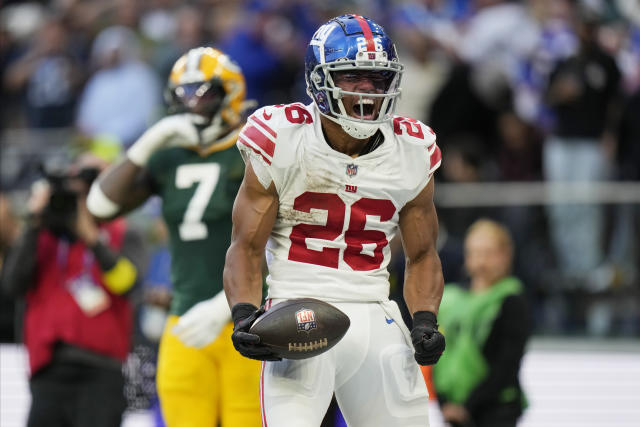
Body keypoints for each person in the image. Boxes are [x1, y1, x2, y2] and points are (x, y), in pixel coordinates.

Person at [223, 14, 446, 427]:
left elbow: (423, 253)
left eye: (376, 80)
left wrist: (425, 319)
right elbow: (246, 246)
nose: (367, 92)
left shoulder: (412, 147)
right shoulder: (282, 136)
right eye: (352, 78)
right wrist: (244, 314)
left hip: (375, 309)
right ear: (318, 81)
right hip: (295, 306)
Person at [87, 47, 262, 426]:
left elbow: (282, 242)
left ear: (230, 93)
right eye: (183, 95)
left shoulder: (254, 149)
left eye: (203, 93)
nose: (192, 105)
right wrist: (151, 140)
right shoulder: (170, 156)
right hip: (183, 317)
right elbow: (99, 207)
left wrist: (225, 306)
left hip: (252, 317)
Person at [0, 154, 144, 427]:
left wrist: (91, 238)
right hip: (48, 368)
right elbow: (13, 284)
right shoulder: (42, 232)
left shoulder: (123, 232)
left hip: (101, 370)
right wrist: (33, 221)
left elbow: (128, 285)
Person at [432, 219, 531, 427]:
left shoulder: (511, 299)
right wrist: (445, 403)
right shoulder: (451, 299)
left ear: (505, 255)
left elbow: (507, 364)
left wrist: (466, 406)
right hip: (454, 410)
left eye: (488, 253)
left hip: (495, 410)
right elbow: (438, 356)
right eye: (474, 253)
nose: (480, 261)